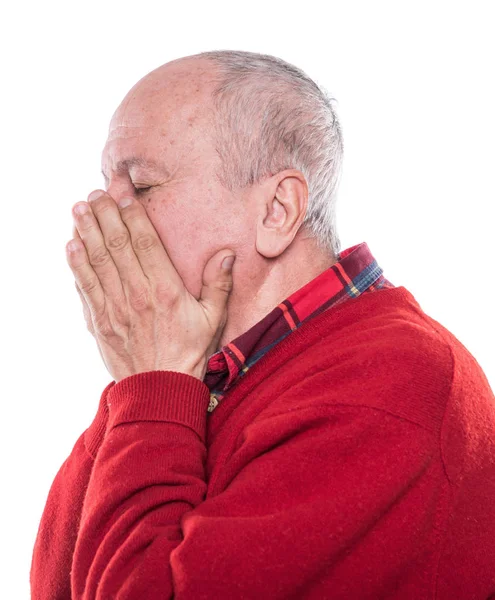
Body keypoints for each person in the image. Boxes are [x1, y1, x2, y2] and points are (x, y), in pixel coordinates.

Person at [30, 50, 495, 599]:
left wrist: (150, 384)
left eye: (142, 186)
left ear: (278, 210)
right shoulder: (195, 370)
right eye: (107, 184)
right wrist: (144, 378)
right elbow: (60, 581)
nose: (103, 212)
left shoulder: (391, 382)